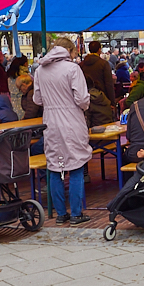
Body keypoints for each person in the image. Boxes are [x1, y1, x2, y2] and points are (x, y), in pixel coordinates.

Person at [33, 36, 93, 225]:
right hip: (71, 120)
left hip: (50, 122)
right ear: (70, 51)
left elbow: (37, 100)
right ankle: (76, 213)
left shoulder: (40, 70)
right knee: (75, 166)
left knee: (55, 166)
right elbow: (82, 99)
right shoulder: (72, 69)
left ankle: (60, 213)